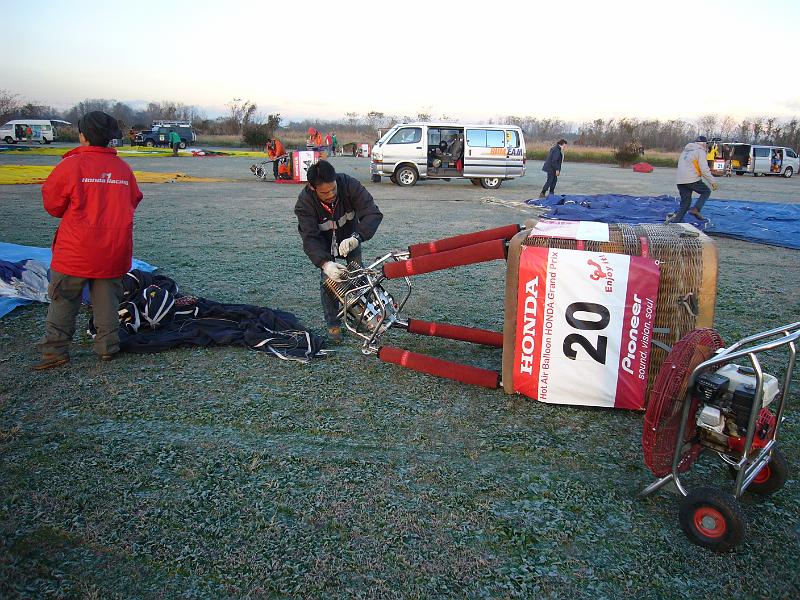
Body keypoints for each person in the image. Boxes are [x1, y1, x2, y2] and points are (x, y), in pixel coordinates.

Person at [34, 111, 143, 370]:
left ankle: (55, 352)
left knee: (64, 300)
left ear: (82, 135)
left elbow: (53, 205)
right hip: (113, 249)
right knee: (107, 302)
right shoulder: (123, 169)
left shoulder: (71, 166)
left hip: (75, 250)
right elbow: (133, 199)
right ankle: (108, 348)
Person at [294, 160, 383, 343]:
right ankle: (333, 324)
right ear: (312, 188)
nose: (331, 194)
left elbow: (372, 213)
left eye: (333, 189)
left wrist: (356, 237)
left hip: (350, 238)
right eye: (324, 192)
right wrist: (325, 264)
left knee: (358, 274)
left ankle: (368, 317)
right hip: (324, 243)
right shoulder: (304, 203)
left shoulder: (349, 185)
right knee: (329, 283)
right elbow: (310, 237)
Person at [670, 135, 718, 223]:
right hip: (692, 178)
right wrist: (713, 182)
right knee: (706, 191)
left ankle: (676, 221)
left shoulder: (685, 151)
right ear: (704, 144)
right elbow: (704, 170)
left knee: (685, 203)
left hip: (680, 180)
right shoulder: (700, 151)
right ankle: (696, 209)